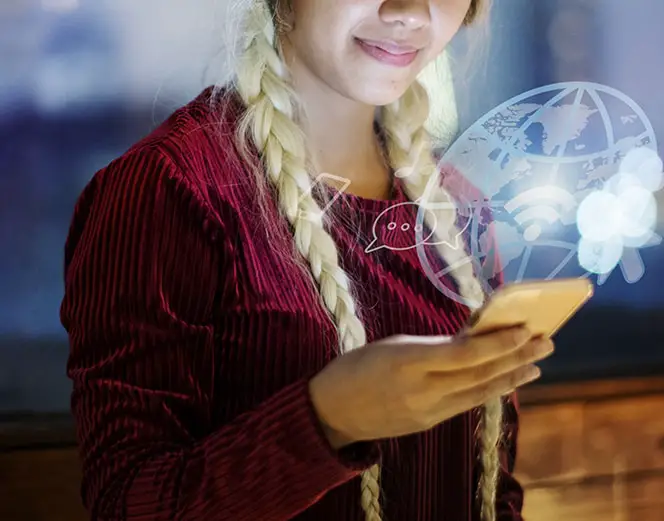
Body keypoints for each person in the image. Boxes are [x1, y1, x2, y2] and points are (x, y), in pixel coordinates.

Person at [60, 1, 555, 520]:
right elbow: (128, 504)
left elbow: (492, 490)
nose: (410, 11)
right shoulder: (168, 189)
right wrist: (329, 418)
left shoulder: (458, 206)